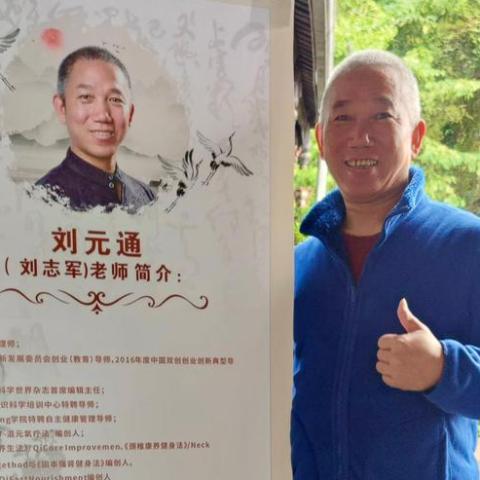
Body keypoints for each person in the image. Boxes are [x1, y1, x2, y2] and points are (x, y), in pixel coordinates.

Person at [291, 49, 480, 479]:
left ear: (416, 137)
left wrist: (442, 368)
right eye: (342, 118)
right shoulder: (299, 265)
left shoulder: (467, 244)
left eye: (381, 116)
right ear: (320, 139)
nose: (360, 136)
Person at [36, 46, 156, 212]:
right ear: (62, 107)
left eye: (115, 99)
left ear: (130, 114)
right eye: (86, 97)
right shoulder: (43, 199)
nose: (103, 115)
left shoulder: (146, 197)